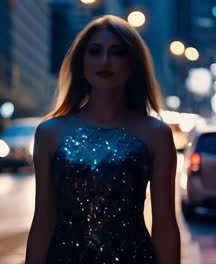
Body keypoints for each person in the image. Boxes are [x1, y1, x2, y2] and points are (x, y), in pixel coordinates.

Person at [25, 15, 181, 264]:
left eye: (117, 52)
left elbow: (165, 225)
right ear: (81, 62)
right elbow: (43, 220)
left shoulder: (156, 134)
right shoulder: (50, 133)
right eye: (95, 52)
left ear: (132, 63)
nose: (105, 61)